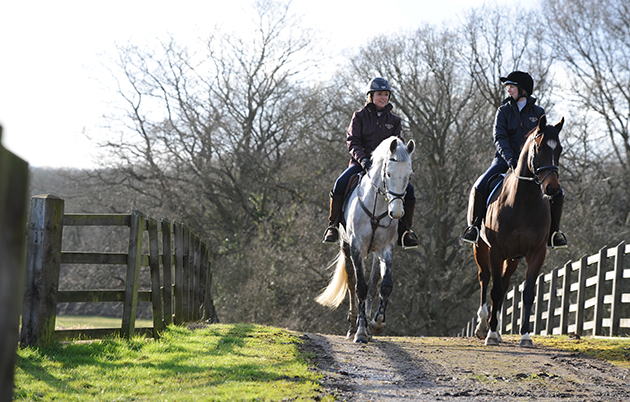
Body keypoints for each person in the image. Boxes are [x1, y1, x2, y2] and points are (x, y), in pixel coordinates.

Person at [461, 71, 568, 249]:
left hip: (532, 165)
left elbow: (541, 140)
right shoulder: (503, 110)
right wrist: (510, 157)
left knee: (558, 193)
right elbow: (499, 137)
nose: (508, 90)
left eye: (512, 87)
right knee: (480, 185)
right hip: (504, 160)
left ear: (523, 90)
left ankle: (554, 233)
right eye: (508, 87)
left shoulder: (538, 112)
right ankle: (474, 227)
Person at [322, 77, 419, 250]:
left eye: (386, 94)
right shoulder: (359, 116)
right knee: (339, 184)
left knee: (409, 190)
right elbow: (352, 142)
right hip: (361, 163)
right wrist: (363, 160)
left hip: (386, 167)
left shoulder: (395, 120)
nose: (383, 97)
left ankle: (405, 232)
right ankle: (333, 226)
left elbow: (399, 144)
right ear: (370, 96)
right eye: (379, 94)